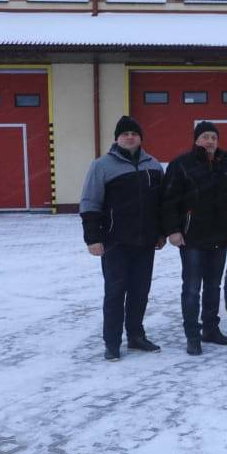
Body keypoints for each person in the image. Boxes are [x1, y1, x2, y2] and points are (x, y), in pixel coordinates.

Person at [80, 116, 166, 361]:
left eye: (134, 134)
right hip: (115, 242)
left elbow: (161, 204)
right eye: (125, 134)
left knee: (140, 291)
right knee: (116, 292)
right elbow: (90, 203)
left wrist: (160, 232)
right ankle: (112, 342)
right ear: (117, 138)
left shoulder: (154, 166)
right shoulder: (102, 166)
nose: (130, 137)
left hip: (145, 242)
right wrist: (93, 238)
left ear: (141, 138)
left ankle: (136, 336)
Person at [162, 121, 227, 356]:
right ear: (196, 140)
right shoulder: (181, 165)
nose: (210, 141)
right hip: (192, 238)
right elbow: (169, 200)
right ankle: (193, 335)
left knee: (213, 286)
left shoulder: (226, 166)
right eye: (205, 137)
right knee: (191, 288)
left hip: (219, 236)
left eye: (213, 137)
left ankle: (210, 329)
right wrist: (173, 230)